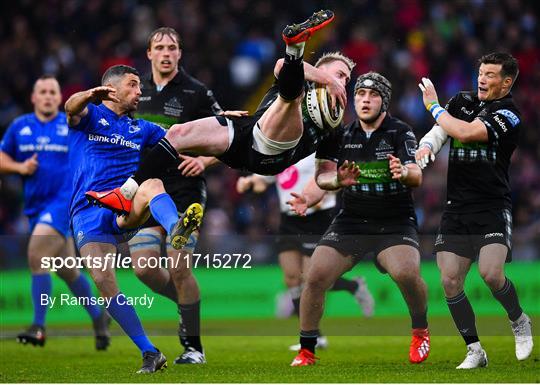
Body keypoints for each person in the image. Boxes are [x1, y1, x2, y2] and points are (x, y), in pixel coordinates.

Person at [86, 10, 354, 217]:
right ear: (321, 71)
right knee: (178, 133)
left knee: (290, 99)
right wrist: (326, 81)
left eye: (348, 78)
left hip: (270, 154)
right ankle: (126, 192)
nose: (344, 81)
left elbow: (323, 175)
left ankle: (295, 46)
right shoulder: (303, 77)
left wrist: (336, 181)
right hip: (246, 132)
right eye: (340, 74)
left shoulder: (335, 127)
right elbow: (281, 65)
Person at [64, 64, 203, 373]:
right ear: (111, 89)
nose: (140, 92)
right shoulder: (92, 116)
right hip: (88, 211)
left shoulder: (142, 129)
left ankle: (175, 227)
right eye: (133, 85)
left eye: (140, 86)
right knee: (104, 281)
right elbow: (70, 109)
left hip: (126, 204)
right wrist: (89, 95)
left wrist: (223, 126)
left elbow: (182, 136)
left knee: (152, 183)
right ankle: (150, 352)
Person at [290, 72, 431, 367]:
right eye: (360, 95)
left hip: (394, 220)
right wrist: (337, 180)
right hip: (352, 220)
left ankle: (420, 330)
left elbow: (416, 174)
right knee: (314, 277)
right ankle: (307, 351)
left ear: (385, 101)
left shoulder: (400, 132)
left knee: (406, 274)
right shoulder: (338, 134)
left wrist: (403, 172)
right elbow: (323, 178)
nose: (365, 101)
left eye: (373, 95)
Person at [416, 52, 533, 369]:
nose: (482, 78)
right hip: (456, 208)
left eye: (491, 75)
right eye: (481, 72)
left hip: (492, 205)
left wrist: (433, 106)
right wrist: (427, 145)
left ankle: (519, 319)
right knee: (450, 281)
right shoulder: (461, 101)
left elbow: (466, 132)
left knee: (491, 274)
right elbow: (443, 132)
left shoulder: (509, 114)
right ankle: (475, 350)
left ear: (506, 82)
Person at [128, 27, 224, 365]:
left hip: (184, 191)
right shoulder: (132, 91)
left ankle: (193, 348)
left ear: (180, 54)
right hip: (145, 190)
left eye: (172, 48)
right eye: (159, 47)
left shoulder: (196, 93)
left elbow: (227, 136)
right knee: (143, 269)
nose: (166, 53)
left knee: (179, 264)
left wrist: (204, 159)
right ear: (149, 54)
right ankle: (188, 304)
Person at [0, 75, 110, 350]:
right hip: (36, 207)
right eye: (43, 92)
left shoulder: (70, 124)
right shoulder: (20, 127)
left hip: (64, 203)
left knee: (36, 254)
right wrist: (19, 168)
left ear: (60, 98)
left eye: (53, 92)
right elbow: (2, 157)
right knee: (68, 271)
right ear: (34, 98)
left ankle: (38, 326)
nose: (48, 96)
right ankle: (99, 319)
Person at [236, 154, 375, 350]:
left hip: (315, 218)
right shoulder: (281, 153)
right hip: (288, 220)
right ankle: (314, 335)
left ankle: (353, 287)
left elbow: (333, 179)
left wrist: (325, 196)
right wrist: (249, 181)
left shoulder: (315, 153)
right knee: (292, 278)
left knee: (312, 278)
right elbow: (264, 178)